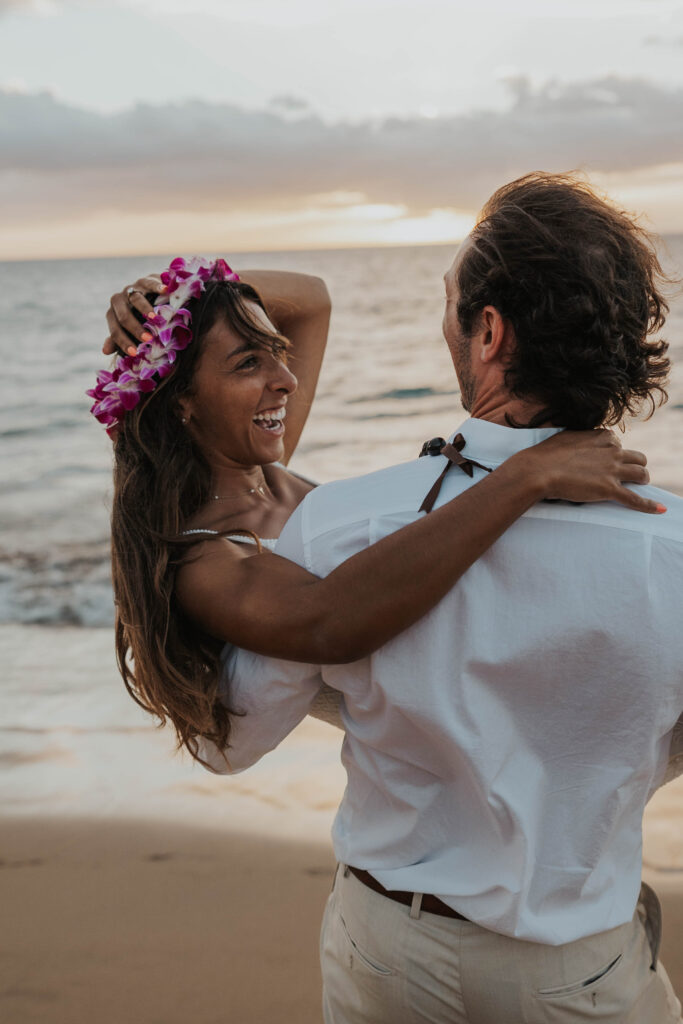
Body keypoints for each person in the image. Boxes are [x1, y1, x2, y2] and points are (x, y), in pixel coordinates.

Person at [192, 173, 683, 1023]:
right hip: (576, 966)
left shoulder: (344, 520)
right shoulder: (673, 543)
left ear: (487, 333)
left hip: (391, 952)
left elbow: (227, 744)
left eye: (448, 302)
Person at [95, 252, 659, 765]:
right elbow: (330, 624)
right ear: (183, 402)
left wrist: (179, 299)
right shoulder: (203, 557)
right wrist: (527, 475)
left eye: (278, 354)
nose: (286, 381)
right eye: (247, 364)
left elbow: (313, 295)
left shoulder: (261, 466)